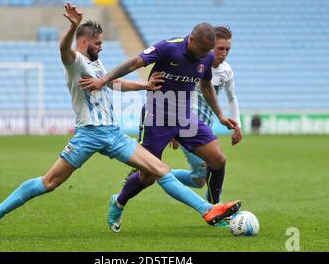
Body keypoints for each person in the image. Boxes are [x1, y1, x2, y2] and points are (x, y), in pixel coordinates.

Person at [0, 3, 241, 237]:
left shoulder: (97, 65)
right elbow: (62, 50)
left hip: (113, 135)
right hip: (88, 135)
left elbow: (114, 84)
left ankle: (207, 210)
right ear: (83, 42)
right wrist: (73, 26)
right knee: (50, 183)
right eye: (97, 43)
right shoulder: (75, 61)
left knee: (159, 170)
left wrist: (145, 87)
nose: (101, 47)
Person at [79, 22, 242, 232]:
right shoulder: (168, 47)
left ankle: (215, 209)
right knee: (148, 177)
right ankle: (118, 201)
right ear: (190, 39)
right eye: (201, 50)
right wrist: (104, 79)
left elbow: (206, 85)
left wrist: (220, 115)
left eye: (207, 52)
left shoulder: (207, 57)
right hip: (156, 119)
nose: (204, 56)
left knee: (218, 160)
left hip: (185, 118)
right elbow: (134, 62)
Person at [169, 26, 243, 227]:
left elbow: (231, 97)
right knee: (213, 164)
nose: (224, 53)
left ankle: (150, 171)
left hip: (205, 127)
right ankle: (215, 208)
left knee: (199, 179)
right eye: (220, 48)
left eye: (228, 49)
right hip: (186, 123)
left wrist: (238, 125)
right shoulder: (196, 63)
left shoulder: (226, 71)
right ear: (210, 46)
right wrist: (174, 130)